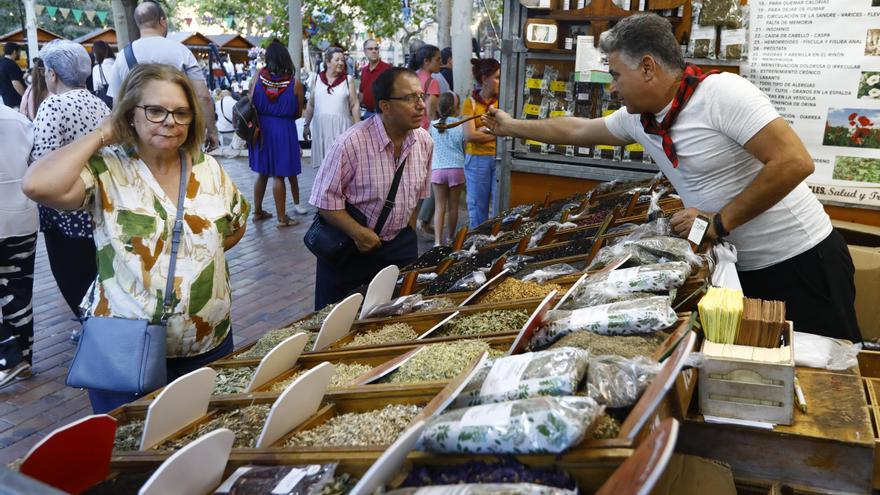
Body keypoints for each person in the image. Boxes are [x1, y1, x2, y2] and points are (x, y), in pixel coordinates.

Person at [484, 13, 860, 342]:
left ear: (647, 67)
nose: (612, 88)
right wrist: (512, 126)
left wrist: (719, 221)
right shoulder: (640, 119)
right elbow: (579, 130)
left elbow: (794, 162)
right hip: (740, 267)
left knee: (831, 373)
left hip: (802, 261)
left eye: (616, 75)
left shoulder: (722, 94)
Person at [23, 63, 250, 413]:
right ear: (130, 113)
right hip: (126, 349)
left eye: (181, 112)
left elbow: (234, 226)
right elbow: (37, 185)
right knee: (131, 450)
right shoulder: (106, 169)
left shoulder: (208, 169)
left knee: (198, 442)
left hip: (208, 342)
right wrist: (101, 135)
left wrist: (194, 261)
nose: (169, 121)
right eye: (155, 110)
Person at [309, 67, 433, 309]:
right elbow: (324, 202)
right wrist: (358, 233)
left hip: (399, 250)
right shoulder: (350, 144)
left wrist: (405, 238)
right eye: (410, 98)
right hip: (353, 250)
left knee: (395, 318)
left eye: (421, 96)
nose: (421, 105)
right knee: (340, 326)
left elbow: (418, 196)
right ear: (385, 106)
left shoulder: (424, 141)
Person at [28, 40, 109, 330]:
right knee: (96, 275)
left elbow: (42, 160)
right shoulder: (98, 102)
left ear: (52, 74)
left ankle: (95, 333)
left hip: (65, 210)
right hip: (98, 202)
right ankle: (99, 326)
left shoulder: (53, 105)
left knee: (72, 277)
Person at [106, 1, 219, 150]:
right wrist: (212, 131)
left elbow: (117, 104)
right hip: (177, 133)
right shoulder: (182, 52)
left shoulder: (122, 56)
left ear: (138, 23)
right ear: (162, 20)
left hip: (139, 140)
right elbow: (203, 97)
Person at [247, 41, 308, 227]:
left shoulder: (257, 78)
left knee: (263, 173)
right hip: (283, 129)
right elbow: (298, 112)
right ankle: (282, 218)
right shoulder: (295, 84)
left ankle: (257, 212)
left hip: (261, 129)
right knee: (279, 175)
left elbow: (250, 101)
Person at [0, 103, 38, 389]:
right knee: (19, 289)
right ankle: (23, 356)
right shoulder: (19, 120)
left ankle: (10, 356)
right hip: (22, 216)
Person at [303, 47, 360, 170]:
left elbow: (354, 105)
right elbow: (311, 104)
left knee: (340, 168)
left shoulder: (347, 80)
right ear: (328, 62)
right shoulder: (316, 79)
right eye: (337, 60)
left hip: (341, 129)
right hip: (321, 130)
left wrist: (357, 128)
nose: (341, 63)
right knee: (323, 169)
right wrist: (306, 125)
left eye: (342, 60)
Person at [462, 57, 500, 228]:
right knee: (477, 208)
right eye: (497, 77)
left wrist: (482, 132)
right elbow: (469, 136)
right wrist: (497, 133)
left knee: (500, 207)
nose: (500, 81)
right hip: (477, 159)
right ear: (484, 79)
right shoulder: (469, 103)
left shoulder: (503, 101)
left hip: (500, 159)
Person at [429, 93, 466, 247]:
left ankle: (437, 242)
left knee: (439, 207)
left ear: (439, 107)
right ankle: (450, 239)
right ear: (456, 107)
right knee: (453, 207)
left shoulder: (432, 125)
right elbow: (464, 147)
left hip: (438, 169)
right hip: (457, 168)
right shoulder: (461, 124)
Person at [408, 44, 442, 129]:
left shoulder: (410, 77)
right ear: (426, 61)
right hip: (424, 129)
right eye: (438, 59)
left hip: (409, 126)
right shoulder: (432, 82)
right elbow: (431, 113)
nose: (441, 63)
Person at [359, 39, 391, 119]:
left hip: (383, 114)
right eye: (370, 49)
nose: (374, 51)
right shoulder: (364, 70)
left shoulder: (387, 69)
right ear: (365, 51)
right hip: (367, 114)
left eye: (376, 48)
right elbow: (362, 93)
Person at [0, 42, 25, 109]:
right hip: (15, 102)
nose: (19, 54)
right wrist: (26, 97)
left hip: (5, 100)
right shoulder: (11, 64)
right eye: (19, 52)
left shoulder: (1, 62)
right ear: (14, 52)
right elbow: (16, 84)